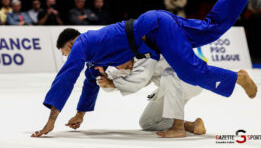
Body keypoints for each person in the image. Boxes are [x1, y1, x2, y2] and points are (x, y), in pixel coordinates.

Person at [31, 0, 260, 138]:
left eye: (66, 53)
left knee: (189, 70)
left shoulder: (82, 43)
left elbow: (66, 78)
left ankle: (237, 78)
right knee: (210, 28)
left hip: (154, 29)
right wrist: (80, 115)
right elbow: (89, 84)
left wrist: (51, 120)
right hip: (156, 27)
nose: (69, 58)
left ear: (71, 44)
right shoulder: (93, 60)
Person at [64, 56, 204, 138]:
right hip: (169, 88)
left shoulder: (143, 54)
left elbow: (140, 80)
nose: (124, 69)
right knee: (148, 123)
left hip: (190, 81)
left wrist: (112, 83)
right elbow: (112, 81)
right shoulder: (123, 63)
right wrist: (105, 80)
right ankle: (191, 125)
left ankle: (178, 128)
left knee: (170, 74)